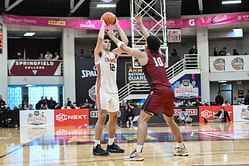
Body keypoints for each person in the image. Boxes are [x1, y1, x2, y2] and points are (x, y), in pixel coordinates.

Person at [107, 15, 188, 161]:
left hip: (158, 91)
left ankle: (138, 152)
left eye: (145, 42)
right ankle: (181, 147)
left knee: (142, 120)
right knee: (170, 120)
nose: (145, 42)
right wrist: (141, 25)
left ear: (147, 46)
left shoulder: (143, 55)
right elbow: (151, 39)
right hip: (169, 90)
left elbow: (124, 48)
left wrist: (113, 37)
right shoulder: (160, 54)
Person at [93, 17, 128, 156]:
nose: (106, 43)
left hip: (114, 90)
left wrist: (117, 25)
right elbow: (100, 40)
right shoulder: (99, 53)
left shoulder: (114, 54)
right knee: (102, 116)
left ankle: (111, 144)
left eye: (108, 42)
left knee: (114, 117)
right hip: (102, 89)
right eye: (106, 41)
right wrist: (103, 23)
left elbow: (125, 42)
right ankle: (96, 146)